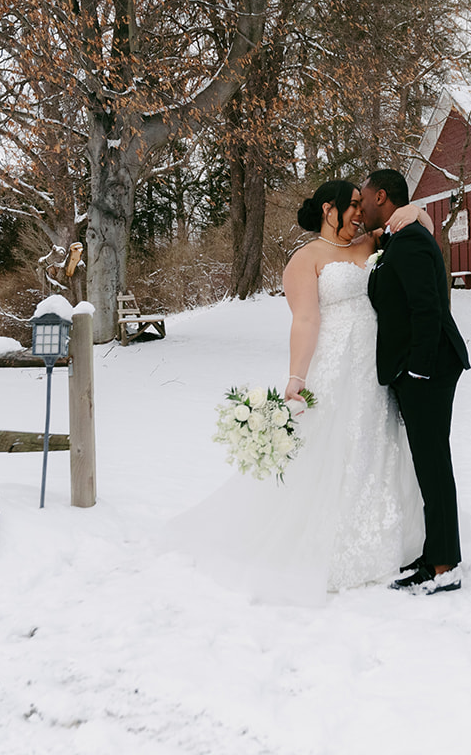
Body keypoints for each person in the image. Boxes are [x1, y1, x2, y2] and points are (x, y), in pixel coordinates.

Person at [165, 179, 431, 604]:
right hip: (336, 366)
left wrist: (414, 210)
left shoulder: (367, 245)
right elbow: (305, 321)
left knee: (375, 446)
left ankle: (386, 538)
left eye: (363, 206)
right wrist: (296, 380)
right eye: (354, 206)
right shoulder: (304, 260)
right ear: (330, 208)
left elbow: (422, 225)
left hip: (374, 370)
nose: (361, 214)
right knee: (329, 450)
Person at [360, 169, 470, 596]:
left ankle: (445, 566)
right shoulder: (399, 238)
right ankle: (434, 555)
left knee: (434, 466)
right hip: (420, 370)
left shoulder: (410, 243)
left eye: (365, 201)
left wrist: (418, 371)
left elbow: (429, 309)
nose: (362, 208)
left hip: (430, 370)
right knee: (429, 465)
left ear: (382, 197)